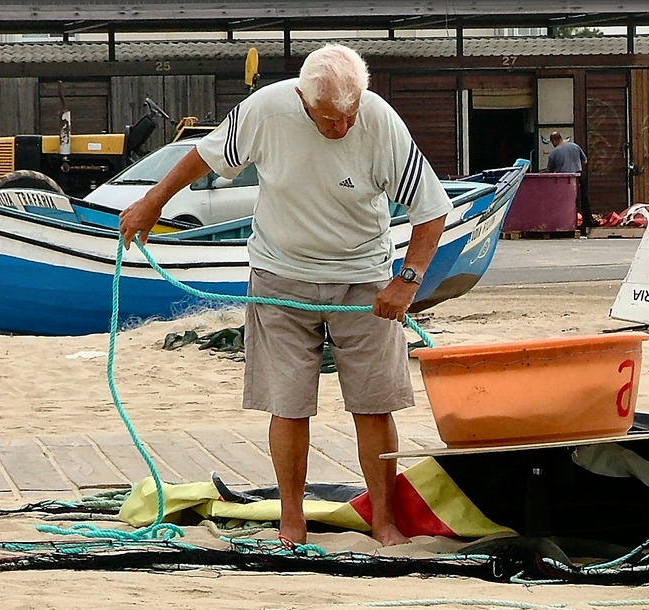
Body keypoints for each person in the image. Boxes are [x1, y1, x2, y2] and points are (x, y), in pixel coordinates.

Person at [119, 44, 453, 548]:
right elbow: (204, 156)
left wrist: (407, 281)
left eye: (349, 116)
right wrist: (150, 202)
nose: (341, 128)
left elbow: (431, 208)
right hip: (279, 274)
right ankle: (291, 520)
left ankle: (385, 520)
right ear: (303, 98)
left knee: (374, 404)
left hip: (363, 278)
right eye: (328, 118)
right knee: (289, 404)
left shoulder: (380, 120)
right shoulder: (266, 109)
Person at [546, 131, 592, 236]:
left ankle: (566, 223)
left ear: (554, 140)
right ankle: (586, 223)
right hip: (578, 176)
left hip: (564, 180)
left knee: (566, 202)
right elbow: (585, 161)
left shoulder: (554, 153)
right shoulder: (575, 146)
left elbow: (550, 172)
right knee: (583, 199)